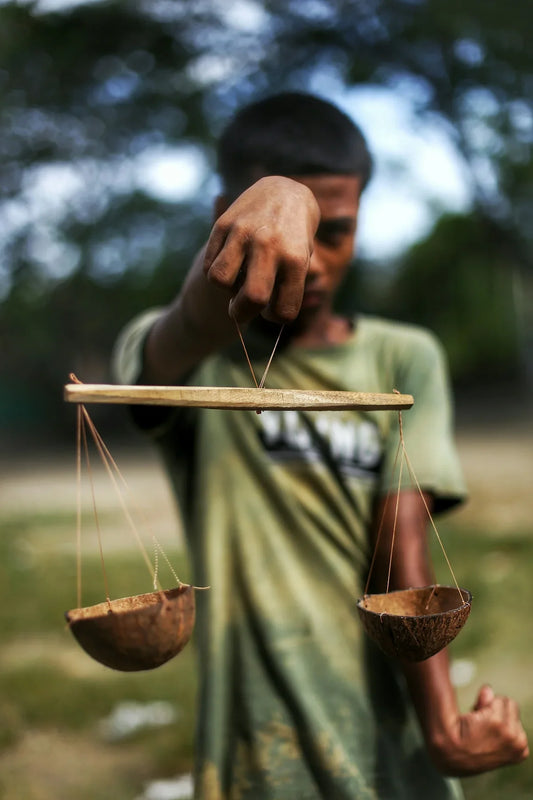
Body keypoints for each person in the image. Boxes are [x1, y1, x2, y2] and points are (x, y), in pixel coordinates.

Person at [112, 92, 528, 799]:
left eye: (333, 231)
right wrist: (276, 197)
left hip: (385, 726)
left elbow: (401, 537)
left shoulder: (403, 356)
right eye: (291, 231)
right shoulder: (192, 357)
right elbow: (190, 323)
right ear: (224, 214)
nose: (311, 259)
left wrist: (439, 723)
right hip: (253, 740)